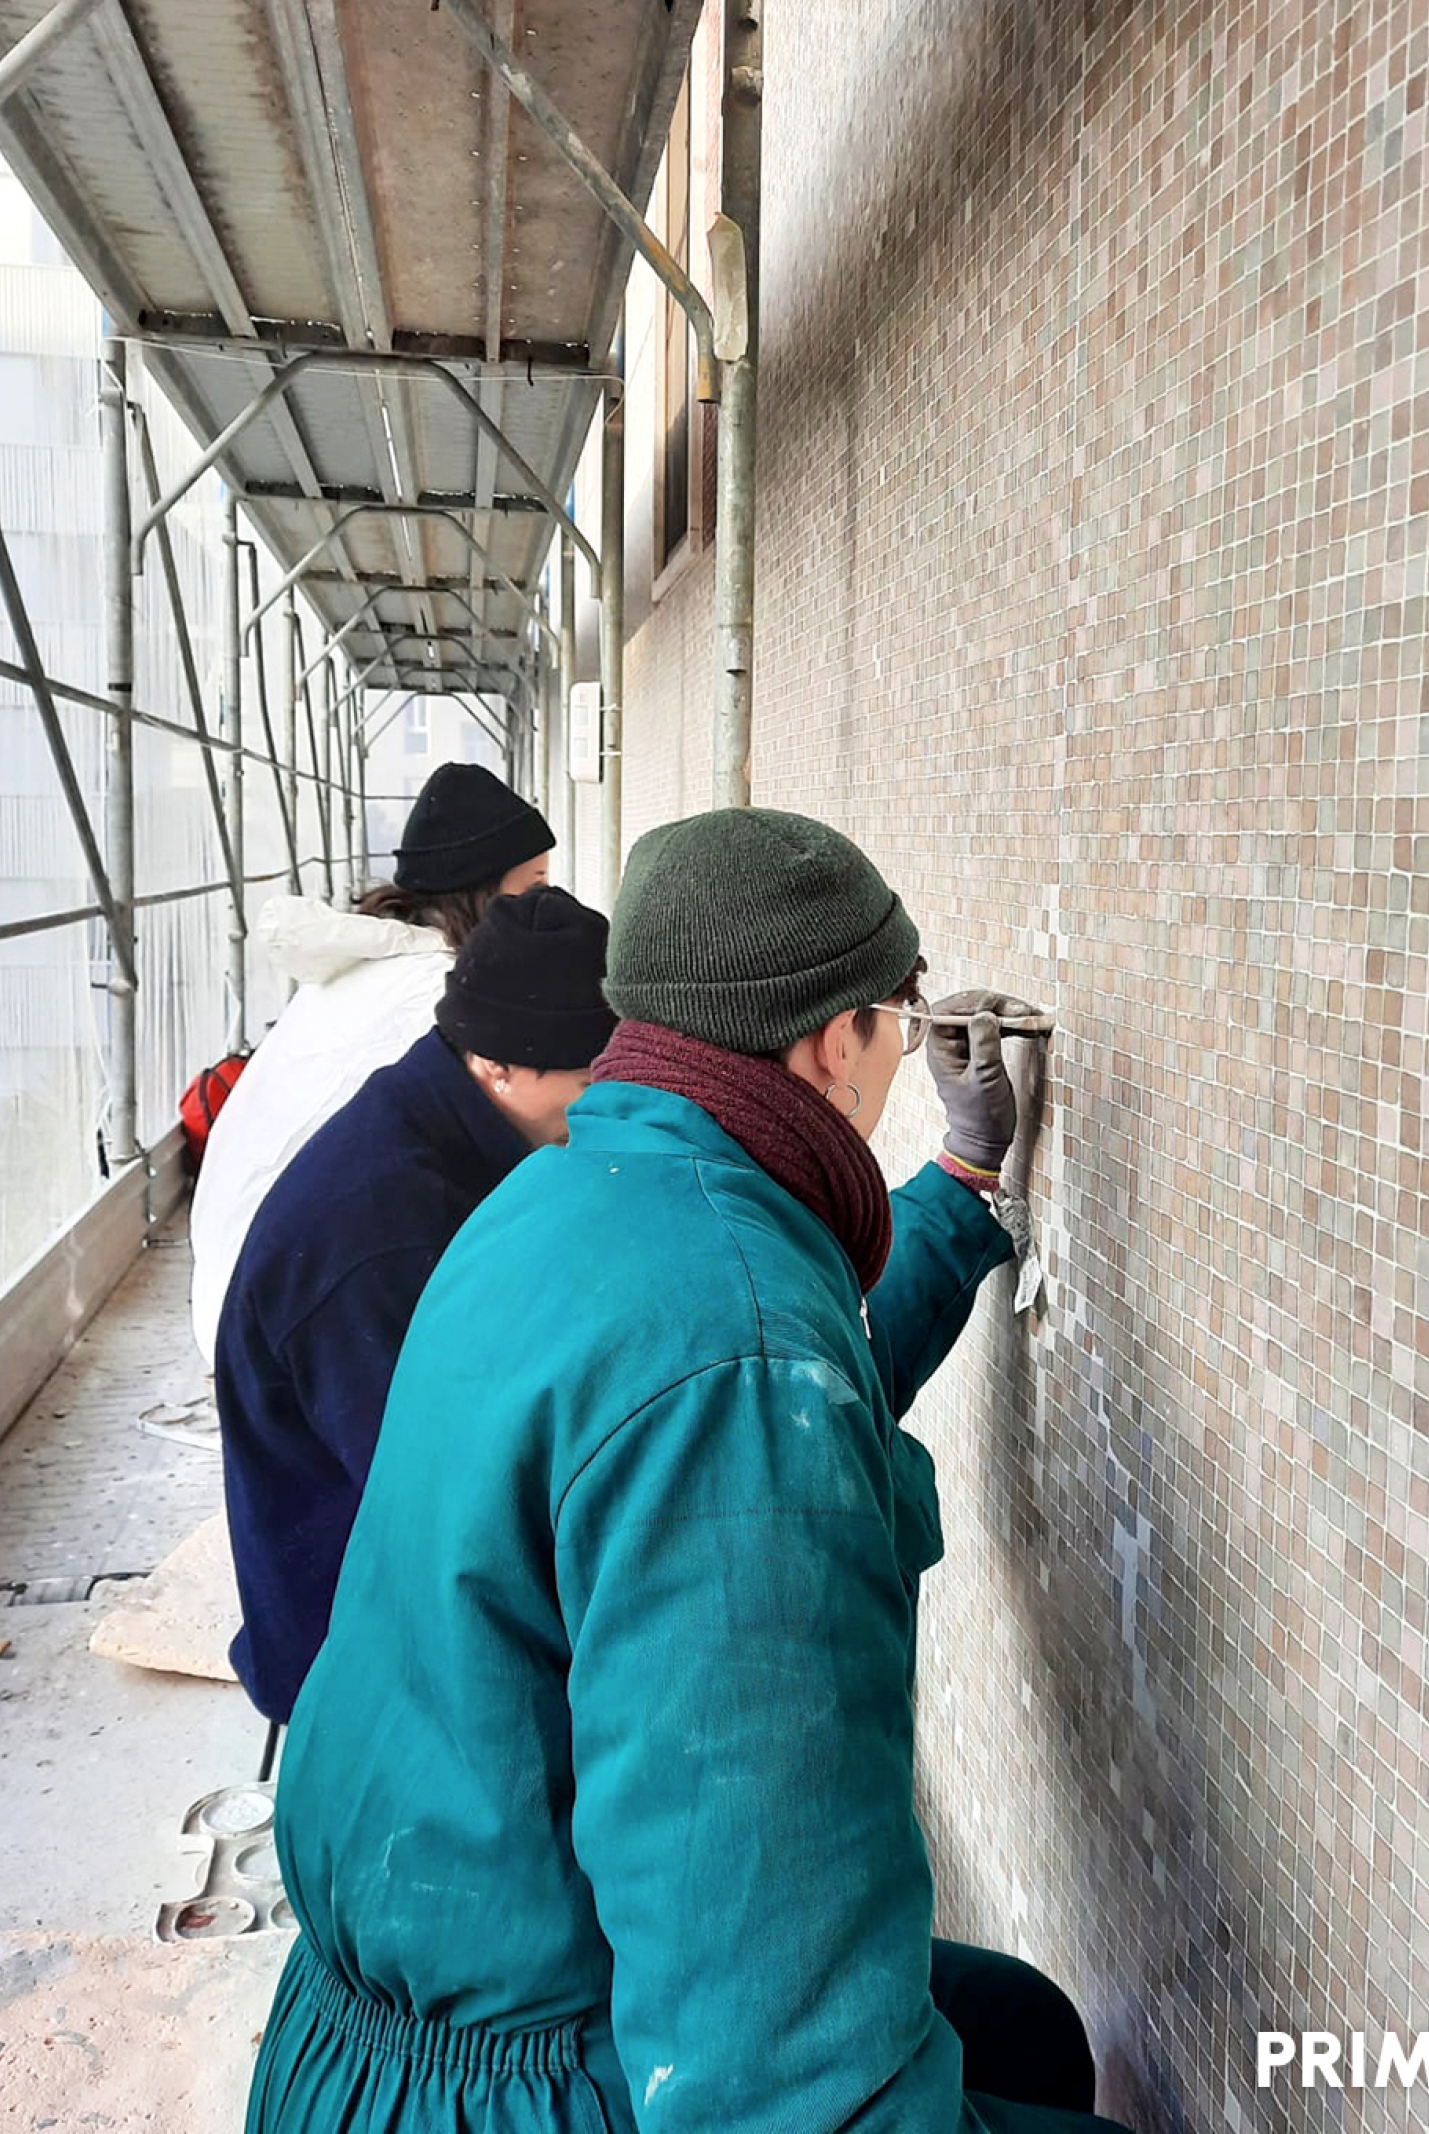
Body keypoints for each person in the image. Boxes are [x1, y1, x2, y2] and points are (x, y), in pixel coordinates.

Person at [248, 808, 1130, 2134]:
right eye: (898, 1018)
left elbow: (750, 1388)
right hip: (519, 2086)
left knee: (1025, 2028)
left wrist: (960, 1175)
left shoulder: (553, 1198)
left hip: (392, 2008)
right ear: (833, 1042)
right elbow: (776, 2073)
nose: (900, 1051)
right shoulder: (740, 1363)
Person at [216, 886, 615, 1726]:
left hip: (386, 1578)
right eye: (590, 1080)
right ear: (500, 1065)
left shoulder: (446, 1118)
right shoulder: (380, 1238)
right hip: (352, 1658)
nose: (605, 1106)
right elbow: (440, 1506)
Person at [189, 761, 553, 1361]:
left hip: (240, 1286)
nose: (546, 903)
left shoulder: (368, 968)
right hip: (287, 1317)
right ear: (485, 891)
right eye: (535, 884)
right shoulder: (435, 994)